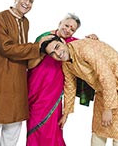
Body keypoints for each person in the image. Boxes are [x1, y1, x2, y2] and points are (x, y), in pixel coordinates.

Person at [40, 35, 118, 146]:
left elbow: (106, 76)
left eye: (57, 47)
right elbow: (70, 86)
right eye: (53, 54)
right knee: (98, 129)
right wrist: (66, 113)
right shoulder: (66, 63)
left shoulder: (85, 49)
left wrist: (108, 108)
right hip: (103, 90)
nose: (58, 54)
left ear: (62, 41)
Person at [0, 0, 47, 146]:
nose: (27, 3)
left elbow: (23, 51)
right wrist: (37, 47)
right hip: (1, 80)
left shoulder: (25, 22)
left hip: (18, 82)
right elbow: (7, 48)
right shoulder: (1, 18)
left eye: (31, 1)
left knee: (14, 127)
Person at [26, 13, 97, 146]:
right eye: (66, 25)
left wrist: (93, 40)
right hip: (35, 89)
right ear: (60, 23)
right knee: (34, 127)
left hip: (54, 94)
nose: (68, 30)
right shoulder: (44, 38)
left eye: (72, 29)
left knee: (53, 129)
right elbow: (30, 63)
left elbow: (87, 52)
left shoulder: (73, 44)